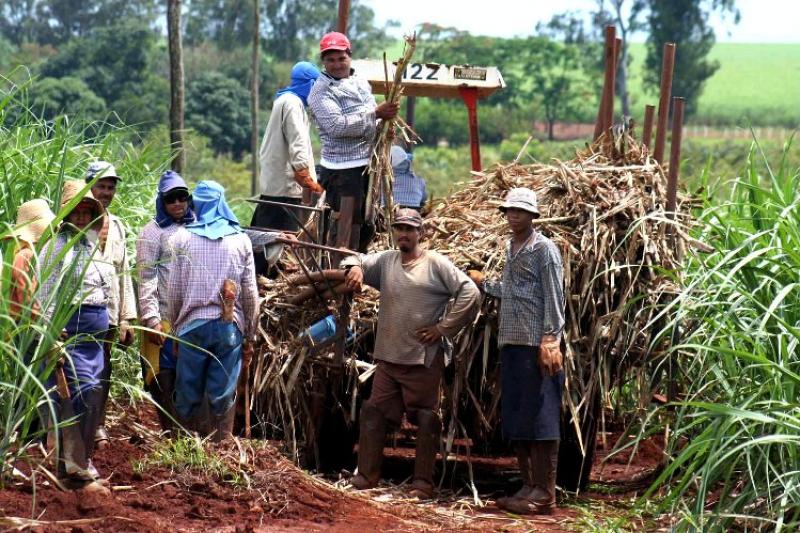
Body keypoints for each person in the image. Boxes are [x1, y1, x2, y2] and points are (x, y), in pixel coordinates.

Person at [341, 208, 481, 498]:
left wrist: (443, 329)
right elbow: (355, 258)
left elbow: (470, 292)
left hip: (422, 358)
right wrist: (355, 267)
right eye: (399, 228)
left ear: (421, 233)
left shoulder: (435, 264)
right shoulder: (387, 261)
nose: (403, 234)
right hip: (389, 357)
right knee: (374, 412)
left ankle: (422, 483)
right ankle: (366, 476)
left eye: (409, 229)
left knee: (426, 417)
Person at [467, 187, 565, 515]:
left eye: (520, 211)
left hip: (535, 344)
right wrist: (485, 284)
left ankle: (544, 493)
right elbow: (512, 291)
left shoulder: (543, 249)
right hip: (511, 342)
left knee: (542, 416)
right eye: (509, 210)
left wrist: (550, 339)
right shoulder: (513, 247)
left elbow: (554, 295)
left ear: (533, 216)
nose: (514, 215)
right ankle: (528, 486)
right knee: (519, 416)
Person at [167, 181, 260, 441]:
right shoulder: (240, 240)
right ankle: (220, 446)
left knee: (187, 389)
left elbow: (174, 292)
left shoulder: (182, 238)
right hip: (228, 328)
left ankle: (185, 446)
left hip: (191, 328)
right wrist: (250, 334)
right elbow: (251, 294)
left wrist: (174, 330)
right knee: (222, 393)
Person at [38, 180, 113, 494]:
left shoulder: (90, 243)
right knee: (79, 392)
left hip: (95, 334)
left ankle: (78, 462)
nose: (82, 217)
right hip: (71, 329)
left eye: (87, 211)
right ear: (66, 214)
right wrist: (51, 333)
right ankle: (76, 465)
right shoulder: (56, 246)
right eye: (77, 212)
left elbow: (103, 285)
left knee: (92, 393)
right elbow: (45, 292)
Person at [308, 31, 399, 252]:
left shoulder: (360, 82)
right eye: (330, 60)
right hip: (342, 170)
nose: (337, 64)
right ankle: (340, 272)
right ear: (324, 62)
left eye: (341, 58)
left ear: (350, 56)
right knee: (344, 225)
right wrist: (375, 114)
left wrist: (382, 129)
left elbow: (372, 117)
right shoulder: (319, 92)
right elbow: (338, 126)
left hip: (367, 164)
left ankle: (358, 267)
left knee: (366, 222)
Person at [135, 171, 195, 431]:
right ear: (162, 201)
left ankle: (187, 429)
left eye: (183, 198)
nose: (178, 204)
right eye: (172, 199)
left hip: (189, 317)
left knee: (188, 375)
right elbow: (146, 277)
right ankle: (171, 432)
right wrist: (151, 319)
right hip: (162, 316)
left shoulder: (197, 226)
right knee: (161, 375)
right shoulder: (151, 232)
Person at [251, 61, 322, 276]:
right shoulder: (292, 103)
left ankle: (260, 275)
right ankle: (264, 278)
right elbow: (297, 140)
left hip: (275, 186)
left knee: (264, 233)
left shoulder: (285, 100)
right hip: (286, 188)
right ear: (309, 84)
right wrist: (303, 172)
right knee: (278, 238)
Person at [85, 160, 136, 448]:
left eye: (110, 188)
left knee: (104, 368)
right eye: (101, 186)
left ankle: (98, 424)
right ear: (89, 187)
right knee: (80, 368)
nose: (105, 192)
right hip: (80, 310)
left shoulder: (117, 226)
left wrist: (127, 317)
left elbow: (124, 273)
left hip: (110, 311)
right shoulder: (76, 222)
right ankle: (79, 423)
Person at [6, 199, 56, 322]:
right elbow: (27, 297)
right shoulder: (25, 255)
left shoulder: (28, 253)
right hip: (19, 324)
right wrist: (46, 323)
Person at [389, 145, 427, 211]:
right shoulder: (419, 181)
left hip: (386, 215)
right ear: (407, 162)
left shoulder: (381, 182)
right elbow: (423, 200)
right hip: (413, 215)